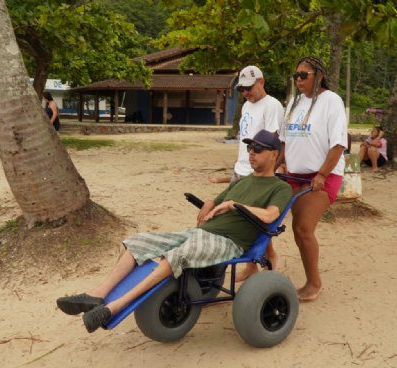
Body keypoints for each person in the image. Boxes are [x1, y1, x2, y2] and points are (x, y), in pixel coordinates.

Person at [56, 130, 292, 333]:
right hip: (201, 234)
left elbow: (271, 215)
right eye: (249, 147)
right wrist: (209, 204)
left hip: (229, 241)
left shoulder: (280, 187)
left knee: (176, 257)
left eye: (258, 149)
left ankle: (113, 307)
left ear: (273, 154)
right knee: (136, 243)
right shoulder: (243, 181)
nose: (251, 152)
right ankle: (97, 295)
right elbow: (216, 199)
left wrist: (234, 205)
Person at [279, 56, 348, 302]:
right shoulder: (293, 103)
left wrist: (322, 174)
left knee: (303, 228)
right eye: (296, 75)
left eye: (303, 75)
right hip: (293, 174)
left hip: (323, 175)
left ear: (318, 75)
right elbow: (284, 141)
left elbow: (339, 143)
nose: (298, 79)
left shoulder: (332, 101)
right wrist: (274, 166)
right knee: (287, 225)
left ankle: (313, 283)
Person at [231, 65, 285, 281]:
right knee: (242, 220)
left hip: (257, 171)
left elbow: (272, 142)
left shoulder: (272, 105)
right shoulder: (246, 106)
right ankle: (251, 263)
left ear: (261, 81)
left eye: (249, 88)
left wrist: (267, 173)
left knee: (255, 221)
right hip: (241, 167)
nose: (245, 93)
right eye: (241, 89)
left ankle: (268, 257)